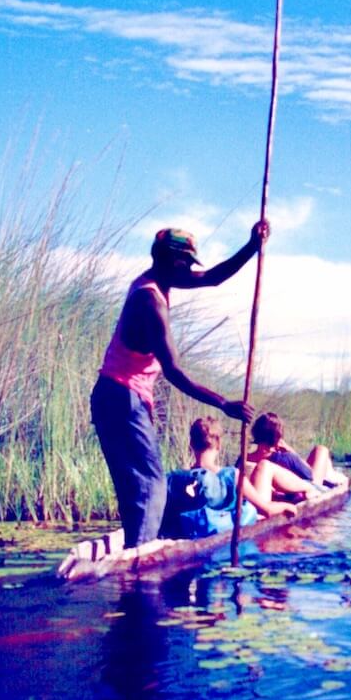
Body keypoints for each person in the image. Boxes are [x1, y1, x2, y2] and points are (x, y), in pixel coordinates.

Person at [91, 222, 268, 548]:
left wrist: (252, 246)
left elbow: (213, 277)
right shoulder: (150, 302)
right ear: (172, 262)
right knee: (151, 485)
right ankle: (140, 559)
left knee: (136, 486)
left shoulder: (157, 282)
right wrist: (223, 404)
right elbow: (172, 371)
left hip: (112, 396)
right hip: (121, 397)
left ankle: (134, 548)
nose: (189, 270)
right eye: (185, 263)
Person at [162, 417, 313, 540]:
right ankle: (308, 487)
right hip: (231, 526)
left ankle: (305, 486)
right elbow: (267, 511)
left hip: (193, 530)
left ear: (191, 444)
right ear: (219, 445)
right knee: (265, 468)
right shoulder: (232, 475)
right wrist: (286, 507)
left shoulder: (179, 479)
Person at [248, 412, 348, 501]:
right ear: (278, 437)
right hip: (311, 485)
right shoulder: (285, 457)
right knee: (321, 450)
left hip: (266, 489)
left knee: (321, 453)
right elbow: (311, 476)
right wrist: (290, 451)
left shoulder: (245, 458)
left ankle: (331, 472)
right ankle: (331, 473)